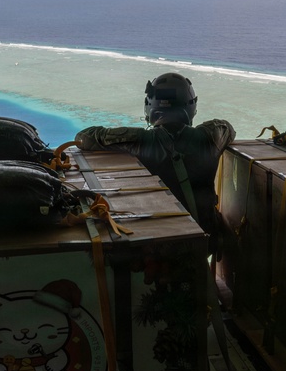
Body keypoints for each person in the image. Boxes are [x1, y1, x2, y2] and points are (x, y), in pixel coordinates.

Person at [74, 72, 235, 252]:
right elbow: (227, 128)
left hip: (158, 241)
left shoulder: (139, 140)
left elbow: (84, 138)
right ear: (190, 106)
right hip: (204, 236)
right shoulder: (209, 137)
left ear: (151, 108)